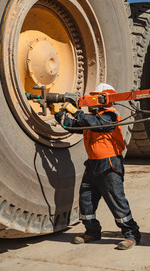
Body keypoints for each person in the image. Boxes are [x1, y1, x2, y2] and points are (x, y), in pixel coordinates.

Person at [51, 83, 141, 250]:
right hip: (93, 165)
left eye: (94, 97)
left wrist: (75, 110)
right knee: (86, 199)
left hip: (109, 165)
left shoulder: (110, 116)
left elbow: (94, 123)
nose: (90, 101)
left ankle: (131, 234)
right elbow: (70, 125)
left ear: (103, 99)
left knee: (116, 200)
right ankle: (92, 231)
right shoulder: (92, 119)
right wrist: (57, 113)